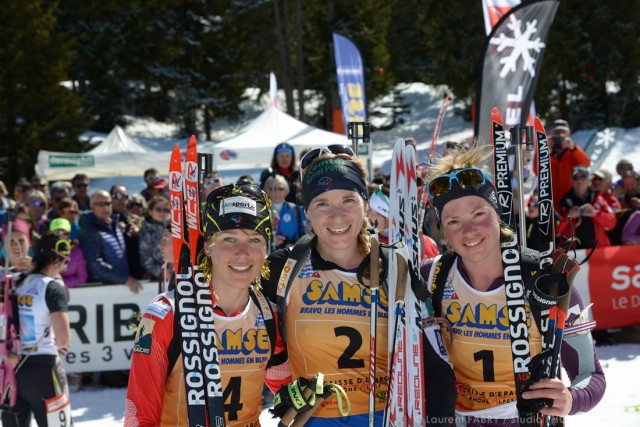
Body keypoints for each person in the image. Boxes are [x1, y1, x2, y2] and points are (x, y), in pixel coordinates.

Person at [420, 146, 606, 425]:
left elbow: (590, 374)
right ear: (443, 229)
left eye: (478, 214)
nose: (468, 231)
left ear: (498, 213)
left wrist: (571, 398)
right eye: (453, 221)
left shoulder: (546, 279)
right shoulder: (431, 276)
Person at [125, 183, 291, 426]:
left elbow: (285, 389)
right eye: (229, 239)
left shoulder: (268, 315)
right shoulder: (166, 315)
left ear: (266, 249)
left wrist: (305, 395)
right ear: (207, 246)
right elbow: (139, 417)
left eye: (254, 240)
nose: (242, 253)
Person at [262, 145, 389, 425]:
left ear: (365, 203)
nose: (337, 216)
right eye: (322, 203)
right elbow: (259, 341)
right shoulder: (282, 267)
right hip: (315, 419)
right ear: (306, 211)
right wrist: (285, 396)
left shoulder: (393, 266)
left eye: (348, 200)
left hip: (383, 417)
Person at [1, 231, 72, 427]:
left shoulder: (12, 282)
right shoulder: (51, 287)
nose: (64, 268)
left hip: (9, 367)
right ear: (56, 260)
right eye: (64, 262)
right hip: (43, 369)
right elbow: (64, 338)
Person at [78, 190, 142, 293]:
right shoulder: (89, 230)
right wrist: (125, 279)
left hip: (122, 285)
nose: (105, 207)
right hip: (104, 289)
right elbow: (95, 265)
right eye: (100, 204)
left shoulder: (114, 224)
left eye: (108, 203)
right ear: (92, 207)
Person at [557, 165, 617, 249]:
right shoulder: (563, 203)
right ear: (571, 180)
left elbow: (612, 223)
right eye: (575, 177)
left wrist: (596, 214)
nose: (579, 180)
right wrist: (566, 218)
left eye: (583, 177)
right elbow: (555, 230)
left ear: (589, 180)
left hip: (598, 252)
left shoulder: (598, 198)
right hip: (572, 254)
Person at [538, 119, 591, 212]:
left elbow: (586, 164)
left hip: (570, 203)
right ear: (551, 134)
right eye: (557, 133)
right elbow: (536, 170)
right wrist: (544, 151)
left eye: (563, 133)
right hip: (550, 203)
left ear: (569, 133)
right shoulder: (546, 151)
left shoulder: (573, 151)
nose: (559, 136)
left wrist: (573, 148)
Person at [111, 185, 146, 280]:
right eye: (117, 196)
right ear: (110, 198)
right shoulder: (106, 219)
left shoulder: (134, 219)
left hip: (136, 269)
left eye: (124, 196)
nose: (121, 199)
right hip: (116, 273)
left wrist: (139, 233)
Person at [263, 174, 306, 250]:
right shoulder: (261, 211)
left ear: (286, 190)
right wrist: (270, 241)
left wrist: (295, 246)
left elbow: (306, 235)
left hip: (292, 256)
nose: (276, 192)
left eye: (281, 189)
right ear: (266, 191)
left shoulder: (296, 210)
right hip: (268, 257)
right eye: (272, 189)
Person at [50, 218, 88, 288]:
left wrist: (62, 284)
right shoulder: (46, 250)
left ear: (69, 234)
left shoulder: (77, 251)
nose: (60, 236)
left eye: (64, 233)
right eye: (56, 233)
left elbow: (82, 277)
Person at [138, 196, 169, 280]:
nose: (162, 212)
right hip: (157, 279)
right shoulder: (145, 231)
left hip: (176, 275)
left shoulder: (173, 227)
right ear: (150, 211)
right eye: (158, 209)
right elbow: (145, 258)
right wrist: (162, 273)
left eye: (166, 210)